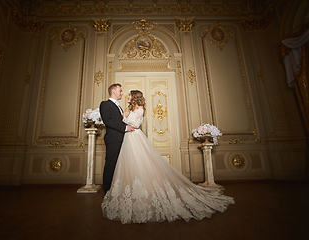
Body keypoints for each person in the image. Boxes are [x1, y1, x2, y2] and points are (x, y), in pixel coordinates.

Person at [101, 90, 235, 224]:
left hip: (135, 137)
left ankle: (148, 191)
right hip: (128, 139)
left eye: (129, 95)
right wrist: (125, 116)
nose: (127, 96)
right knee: (130, 165)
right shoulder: (130, 109)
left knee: (142, 163)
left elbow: (135, 124)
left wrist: (124, 117)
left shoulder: (140, 109)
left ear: (135, 97)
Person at [100, 84, 135, 194]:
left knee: (119, 166)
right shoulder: (105, 104)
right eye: (120, 91)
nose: (122, 93)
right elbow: (108, 121)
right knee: (111, 164)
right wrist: (125, 127)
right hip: (113, 139)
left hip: (122, 139)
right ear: (113, 91)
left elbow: (118, 121)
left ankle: (117, 190)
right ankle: (108, 191)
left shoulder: (119, 107)